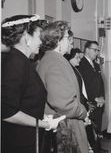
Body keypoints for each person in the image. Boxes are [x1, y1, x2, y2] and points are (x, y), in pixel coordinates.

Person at [1, 15, 64, 153]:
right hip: (18, 142)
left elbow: (25, 101)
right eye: (38, 35)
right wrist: (44, 124)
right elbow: (6, 111)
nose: (41, 41)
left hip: (27, 139)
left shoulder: (22, 61)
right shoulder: (15, 62)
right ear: (26, 37)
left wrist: (41, 116)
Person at [37, 21, 89, 153]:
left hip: (66, 125)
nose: (70, 41)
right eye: (67, 37)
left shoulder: (53, 59)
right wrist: (83, 113)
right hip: (65, 130)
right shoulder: (54, 62)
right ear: (58, 40)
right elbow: (63, 104)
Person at [78, 40, 105, 152]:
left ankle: (98, 148)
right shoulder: (81, 63)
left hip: (99, 102)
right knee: (89, 129)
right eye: (95, 50)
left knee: (97, 128)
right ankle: (92, 149)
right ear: (87, 50)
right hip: (89, 103)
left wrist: (102, 97)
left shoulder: (97, 65)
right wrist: (94, 98)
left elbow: (100, 83)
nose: (97, 53)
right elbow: (83, 85)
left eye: (98, 50)